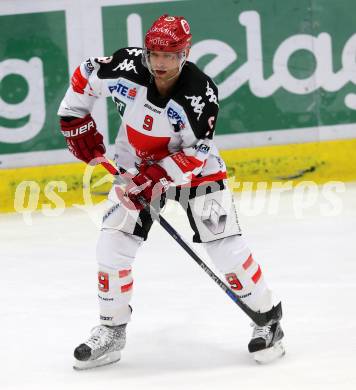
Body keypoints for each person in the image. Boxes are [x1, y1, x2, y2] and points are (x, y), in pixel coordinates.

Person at [58, 14, 285, 370]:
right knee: (112, 243)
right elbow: (85, 74)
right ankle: (111, 330)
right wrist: (73, 119)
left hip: (195, 174)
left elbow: (197, 153)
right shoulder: (125, 66)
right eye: (154, 54)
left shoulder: (200, 95)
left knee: (224, 247)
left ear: (185, 54)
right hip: (134, 169)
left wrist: (154, 179)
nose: (160, 64)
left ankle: (268, 319)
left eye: (170, 55)